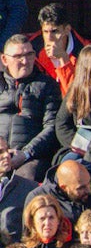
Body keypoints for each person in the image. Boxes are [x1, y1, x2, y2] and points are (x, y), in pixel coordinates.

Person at [0, 33, 61, 182]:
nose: (25, 61)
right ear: (4, 59)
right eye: (18, 56)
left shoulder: (47, 85)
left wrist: (26, 153)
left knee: (24, 181)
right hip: (1, 154)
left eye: (29, 54)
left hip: (31, 157)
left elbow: (52, 127)